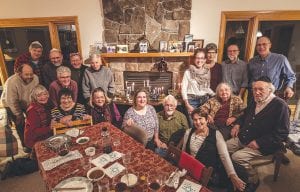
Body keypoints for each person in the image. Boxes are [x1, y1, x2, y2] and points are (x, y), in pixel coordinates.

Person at [226, 76, 290, 191]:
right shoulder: (254, 100)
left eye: (261, 89)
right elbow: (244, 115)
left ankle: (253, 179)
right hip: (244, 137)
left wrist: (259, 142)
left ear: (270, 90)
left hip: (263, 144)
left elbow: (282, 133)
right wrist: (237, 124)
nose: (257, 92)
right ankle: (230, 174)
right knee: (224, 148)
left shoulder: (280, 105)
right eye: (254, 89)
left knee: (237, 157)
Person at [182, 109, 246, 191]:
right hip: (192, 170)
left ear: (206, 120)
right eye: (195, 120)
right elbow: (184, 153)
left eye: (200, 118)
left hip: (208, 174)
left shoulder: (216, 134)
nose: (197, 122)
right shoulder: (188, 132)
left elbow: (224, 156)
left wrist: (233, 175)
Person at [1, 64, 39, 152]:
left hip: (26, 101)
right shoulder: (12, 81)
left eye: (31, 74)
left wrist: (32, 109)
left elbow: (34, 94)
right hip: (10, 103)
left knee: (32, 121)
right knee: (20, 123)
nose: (29, 76)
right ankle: (26, 145)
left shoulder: (35, 78)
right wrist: (19, 115)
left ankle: (34, 141)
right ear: (19, 74)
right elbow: (11, 101)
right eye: (26, 74)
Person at [248, 36, 296, 101]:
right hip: (255, 96)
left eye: (264, 44)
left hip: (272, 96)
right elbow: (249, 78)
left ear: (270, 45)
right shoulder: (252, 61)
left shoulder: (280, 59)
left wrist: (289, 87)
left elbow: (291, 76)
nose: (261, 47)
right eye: (258, 45)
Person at [181, 48, 214, 126]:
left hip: (205, 100)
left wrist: (214, 94)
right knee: (193, 124)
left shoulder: (207, 71)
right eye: (197, 58)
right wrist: (187, 104)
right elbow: (184, 88)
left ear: (205, 59)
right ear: (194, 59)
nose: (199, 60)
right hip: (191, 101)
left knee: (204, 124)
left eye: (202, 58)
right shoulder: (188, 72)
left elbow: (206, 87)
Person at [24, 85, 53, 150]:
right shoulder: (32, 110)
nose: (43, 97)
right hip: (34, 139)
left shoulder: (46, 104)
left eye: (45, 94)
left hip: (44, 134)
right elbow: (35, 131)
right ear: (34, 97)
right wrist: (50, 128)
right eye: (39, 95)